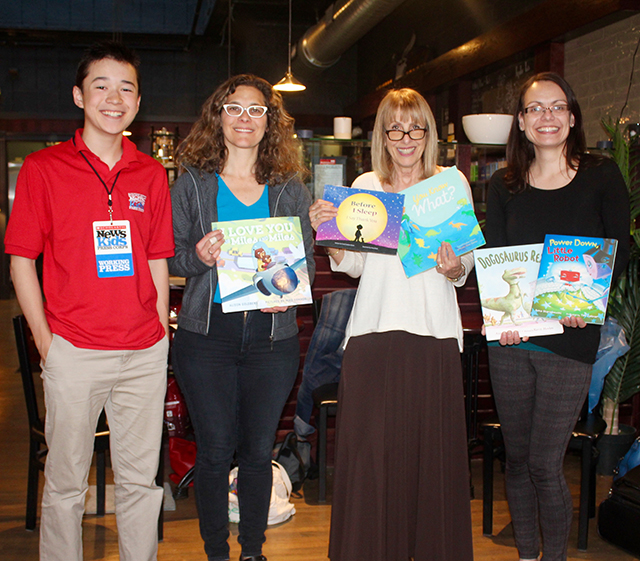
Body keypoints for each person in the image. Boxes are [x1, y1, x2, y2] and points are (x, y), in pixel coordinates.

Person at [5, 41, 174, 561]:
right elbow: (20, 261)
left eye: (126, 88)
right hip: (73, 351)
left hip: (143, 352)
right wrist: (46, 343)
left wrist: (162, 332)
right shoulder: (43, 168)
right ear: (79, 95)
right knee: (64, 485)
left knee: (140, 484)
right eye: (101, 86)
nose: (113, 97)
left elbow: (155, 259)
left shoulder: (149, 174)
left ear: (138, 103)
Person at [309, 88, 475, 561]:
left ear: (428, 133)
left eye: (415, 127)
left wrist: (452, 268)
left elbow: (464, 264)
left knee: (432, 465)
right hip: (372, 337)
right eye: (395, 128)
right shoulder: (365, 185)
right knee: (369, 465)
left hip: (433, 336)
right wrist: (329, 235)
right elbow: (354, 266)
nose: (406, 139)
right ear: (382, 134)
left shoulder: (451, 184)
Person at [168, 74, 315, 561]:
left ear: (270, 121)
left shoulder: (288, 186)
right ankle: (215, 552)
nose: (245, 118)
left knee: (256, 454)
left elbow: (305, 262)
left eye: (256, 110)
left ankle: (252, 551)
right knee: (213, 452)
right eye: (234, 109)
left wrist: (289, 293)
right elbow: (169, 258)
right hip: (206, 337)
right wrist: (198, 258)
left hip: (272, 339)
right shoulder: (191, 180)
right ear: (218, 116)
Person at [484, 72, 630, 561]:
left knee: (546, 463)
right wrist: (503, 318)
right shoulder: (502, 186)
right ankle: (528, 555)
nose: (546, 116)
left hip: (571, 337)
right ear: (521, 123)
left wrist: (584, 302)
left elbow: (621, 252)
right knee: (518, 460)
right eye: (534, 109)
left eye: (556, 106)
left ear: (571, 116)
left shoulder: (602, 174)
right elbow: (499, 258)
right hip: (512, 339)